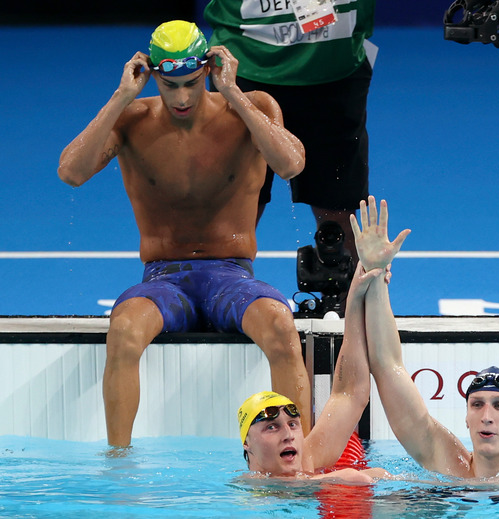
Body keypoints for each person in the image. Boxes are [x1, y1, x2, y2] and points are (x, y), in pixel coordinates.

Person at [57, 20, 310, 447]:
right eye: (169, 85)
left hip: (231, 276)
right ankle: (119, 466)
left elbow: (291, 165)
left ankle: (298, 459)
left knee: (283, 327)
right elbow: (70, 172)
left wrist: (232, 93)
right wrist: (121, 97)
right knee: (122, 330)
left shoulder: (253, 108)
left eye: (192, 83)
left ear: (209, 68)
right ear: (152, 75)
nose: (181, 97)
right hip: (164, 279)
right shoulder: (132, 119)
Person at [351, 196, 499, 478]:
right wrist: (375, 274)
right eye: (477, 405)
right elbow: (387, 366)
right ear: (467, 417)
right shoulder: (450, 463)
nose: (486, 416)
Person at [203, 0, 375, 296]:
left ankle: (353, 316)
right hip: (245, 68)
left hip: (335, 69)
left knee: (339, 218)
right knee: (233, 211)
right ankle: (215, 300)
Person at [237, 209, 403, 482]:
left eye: (292, 424)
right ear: (247, 443)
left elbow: (350, 393)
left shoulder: (308, 456)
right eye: (272, 427)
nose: (289, 434)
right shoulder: (248, 490)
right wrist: (341, 478)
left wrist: (361, 284)